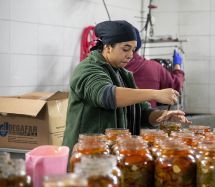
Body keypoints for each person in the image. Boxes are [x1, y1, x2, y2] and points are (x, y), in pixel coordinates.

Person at [62, 20, 190, 151]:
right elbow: (106, 95)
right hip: (87, 153)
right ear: (108, 47)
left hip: (114, 151)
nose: (130, 55)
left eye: (133, 50)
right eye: (125, 49)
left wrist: (163, 116)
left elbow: (143, 112)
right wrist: (155, 93)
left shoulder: (124, 75)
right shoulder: (88, 69)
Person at [125, 28, 185, 108]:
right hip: (147, 118)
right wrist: (177, 65)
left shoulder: (109, 69)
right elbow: (175, 85)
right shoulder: (154, 67)